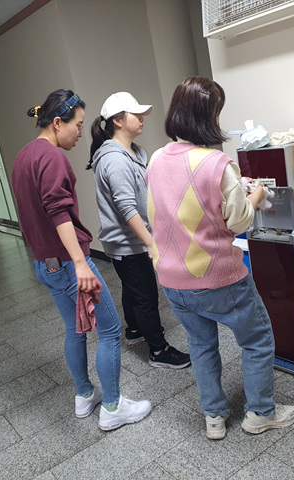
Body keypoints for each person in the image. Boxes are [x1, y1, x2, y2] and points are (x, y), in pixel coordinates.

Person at [145, 77, 294, 440]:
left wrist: (232, 187)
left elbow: (179, 203)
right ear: (207, 116)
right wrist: (255, 196)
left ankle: (213, 417)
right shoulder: (217, 163)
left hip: (172, 280)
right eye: (217, 111)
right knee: (257, 339)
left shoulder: (156, 158)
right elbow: (238, 221)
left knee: (201, 345)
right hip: (217, 278)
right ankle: (260, 413)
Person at [11, 89, 151, 431]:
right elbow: (58, 212)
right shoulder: (52, 158)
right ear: (57, 122)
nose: (80, 132)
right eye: (77, 125)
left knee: (74, 329)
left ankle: (84, 394)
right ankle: (113, 407)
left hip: (44, 263)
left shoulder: (24, 156)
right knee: (110, 330)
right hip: (68, 262)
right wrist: (79, 263)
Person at [87, 92, 191, 369]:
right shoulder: (115, 160)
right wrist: (149, 242)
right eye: (136, 114)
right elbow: (126, 207)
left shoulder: (135, 152)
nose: (142, 118)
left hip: (132, 240)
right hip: (128, 242)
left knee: (133, 286)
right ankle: (158, 350)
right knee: (146, 295)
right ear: (118, 121)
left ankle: (134, 330)